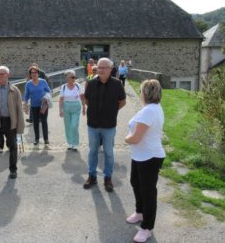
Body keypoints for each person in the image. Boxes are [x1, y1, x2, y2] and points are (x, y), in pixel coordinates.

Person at [124, 79, 165, 243]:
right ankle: (139, 212)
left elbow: (135, 138)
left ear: (145, 93)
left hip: (150, 157)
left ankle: (147, 228)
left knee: (148, 193)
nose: (140, 93)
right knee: (136, 183)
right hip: (140, 156)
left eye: (141, 91)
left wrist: (126, 138)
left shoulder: (149, 111)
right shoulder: (150, 108)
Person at [83, 57, 126, 192]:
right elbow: (87, 100)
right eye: (99, 67)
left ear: (111, 69)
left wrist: (111, 111)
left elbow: (122, 102)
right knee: (92, 152)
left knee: (108, 153)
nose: (100, 70)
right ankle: (92, 176)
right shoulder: (90, 83)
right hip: (93, 125)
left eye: (103, 67)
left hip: (109, 125)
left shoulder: (117, 84)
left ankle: (108, 178)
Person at [0, 65, 25, 182]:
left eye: (2, 74)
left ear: (8, 75)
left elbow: (19, 110)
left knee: (12, 146)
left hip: (10, 122)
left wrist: (20, 126)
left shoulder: (14, 90)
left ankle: (13, 170)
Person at [59, 70, 86, 151]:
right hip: (66, 107)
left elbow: (82, 97)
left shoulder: (78, 86)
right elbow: (61, 99)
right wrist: (60, 110)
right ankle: (70, 143)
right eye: (72, 77)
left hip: (76, 107)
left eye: (75, 77)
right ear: (67, 78)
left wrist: (84, 107)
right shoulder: (63, 87)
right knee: (67, 126)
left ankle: (75, 143)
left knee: (74, 126)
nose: (74, 78)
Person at [24, 65, 51, 145]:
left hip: (43, 105)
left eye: (35, 72)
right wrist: (25, 106)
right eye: (32, 73)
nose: (34, 74)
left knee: (44, 121)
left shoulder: (43, 81)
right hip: (34, 106)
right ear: (30, 74)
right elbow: (26, 96)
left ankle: (46, 139)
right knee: (35, 123)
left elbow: (49, 91)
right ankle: (37, 139)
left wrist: (46, 98)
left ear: (38, 73)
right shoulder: (28, 84)